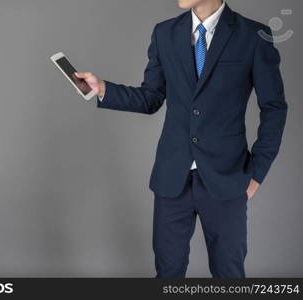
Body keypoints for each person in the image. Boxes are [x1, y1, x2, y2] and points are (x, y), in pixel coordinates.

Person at [74, 0, 287, 278]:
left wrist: (257, 173)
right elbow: (151, 97)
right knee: (168, 274)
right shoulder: (165, 33)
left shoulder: (253, 36)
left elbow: (274, 108)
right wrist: (103, 89)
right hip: (172, 178)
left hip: (227, 177)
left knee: (229, 275)